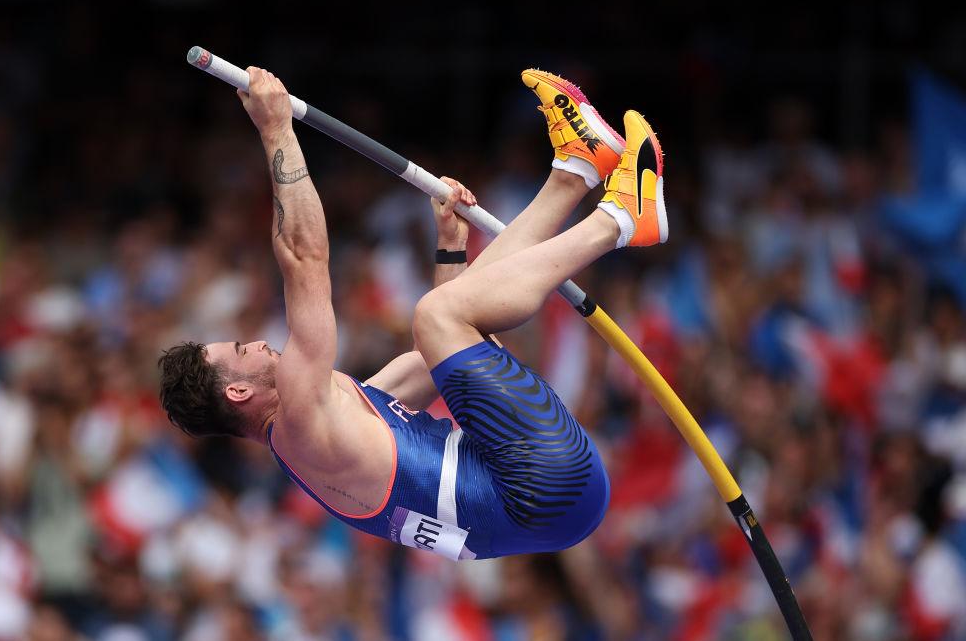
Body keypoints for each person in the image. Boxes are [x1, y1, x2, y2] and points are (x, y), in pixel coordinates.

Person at [158, 68, 667, 560]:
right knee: (436, 315)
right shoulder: (300, 418)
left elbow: (439, 361)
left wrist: (450, 251)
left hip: (553, 503)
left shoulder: (326, 434)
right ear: (238, 391)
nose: (260, 343)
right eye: (243, 350)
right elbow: (303, 257)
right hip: (543, 487)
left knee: (444, 316)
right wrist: (276, 129)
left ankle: (576, 172)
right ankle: (621, 219)